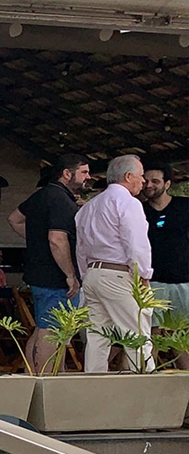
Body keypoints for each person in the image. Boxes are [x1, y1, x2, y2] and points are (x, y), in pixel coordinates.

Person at [8, 153, 89, 372]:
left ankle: (35, 375)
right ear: (67, 173)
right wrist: (70, 275)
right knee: (52, 331)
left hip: (38, 272)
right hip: (56, 277)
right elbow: (57, 239)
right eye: (84, 172)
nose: (88, 177)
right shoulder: (61, 200)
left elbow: (14, 218)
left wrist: (36, 240)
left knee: (43, 328)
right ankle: (45, 381)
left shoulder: (41, 195)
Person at [76, 154, 153, 373]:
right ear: (128, 176)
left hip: (93, 273)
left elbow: (80, 247)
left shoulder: (89, 206)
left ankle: (94, 385)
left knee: (98, 337)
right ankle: (147, 384)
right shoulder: (128, 203)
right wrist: (143, 276)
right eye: (140, 176)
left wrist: (85, 276)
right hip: (118, 273)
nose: (143, 181)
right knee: (136, 333)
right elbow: (135, 243)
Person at [143, 163, 189, 367]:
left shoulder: (184, 206)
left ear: (167, 184)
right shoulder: (138, 210)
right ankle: (148, 378)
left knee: (181, 335)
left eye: (155, 181)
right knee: (151, 333)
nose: (149, 185)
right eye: (146, 181)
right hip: (151, 282)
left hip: (183, 281)